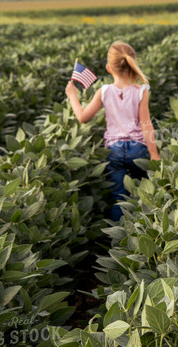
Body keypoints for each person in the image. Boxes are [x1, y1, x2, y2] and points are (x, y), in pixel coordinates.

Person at [65, 40, 159, 221]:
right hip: (137, 149)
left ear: (109, 68)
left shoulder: (104, 91)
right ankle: (142, 231)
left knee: (118, 197)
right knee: (143, 195)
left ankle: (118, 240)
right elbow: (146, 124)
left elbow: (83, 117)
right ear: (132, 65)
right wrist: (154, 154)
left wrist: (72, 95)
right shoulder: (141, 91)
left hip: (114, 149)